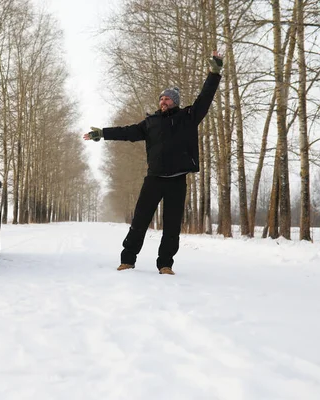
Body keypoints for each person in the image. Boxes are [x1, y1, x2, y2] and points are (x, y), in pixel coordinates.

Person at [83, 52, 223, 275]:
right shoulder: (151, 122)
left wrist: (214, 73)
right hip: (154, 179)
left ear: (175, 102)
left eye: (167, 99)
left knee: (171, 226)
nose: (163, 101)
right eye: (161, 99)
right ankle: (128, 260)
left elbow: (205, 97)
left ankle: (165, 264)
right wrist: (103, 133)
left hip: (177, 180)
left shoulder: (188, 117)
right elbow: (127, 132)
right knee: (139, 221)